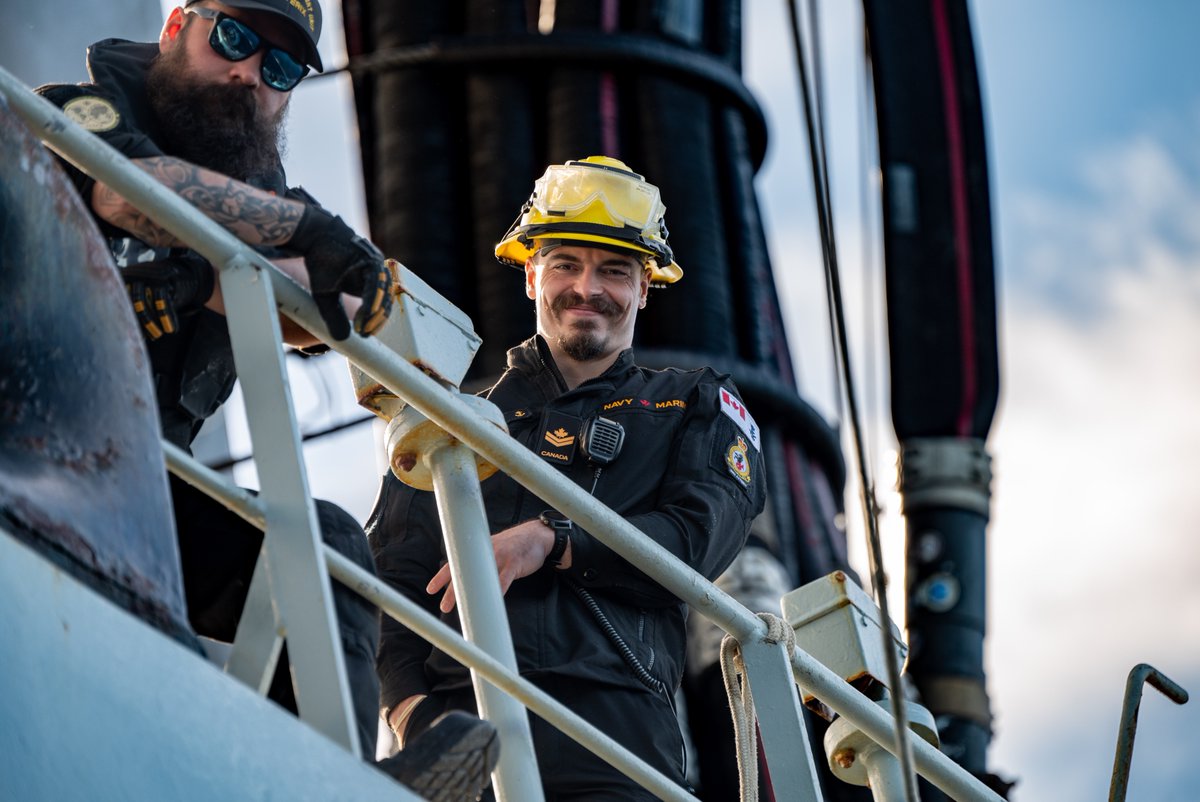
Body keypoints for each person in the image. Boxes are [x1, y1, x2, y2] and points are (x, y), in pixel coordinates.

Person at [35, 2, 497, 798]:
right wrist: (302, 230)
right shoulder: (74, 107)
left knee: (324, 547)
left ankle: (330, 782)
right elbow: (127, 194)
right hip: (32, 447)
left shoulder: (257, 214)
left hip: (135, 490)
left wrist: (333, 282)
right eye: (236, 39)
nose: (250, 73)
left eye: (280, 68)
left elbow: (325, 305)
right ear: (178, 23)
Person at [368, 156, 767, 798]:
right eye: (566, 265)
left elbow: (696, 541)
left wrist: (552, 540)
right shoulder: (451, 421)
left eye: (614, 270)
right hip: (457, 739)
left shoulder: (695, 406)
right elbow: (391, 581)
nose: (588, 288)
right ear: (531, 275)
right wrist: (413, 715)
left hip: (614, 743)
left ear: (644, 288)